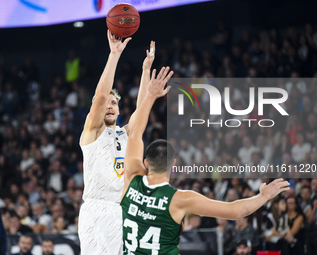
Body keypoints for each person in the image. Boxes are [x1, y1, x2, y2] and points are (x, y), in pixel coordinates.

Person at [120, 66, 290, 255]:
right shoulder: (180, 199)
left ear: (145, 163)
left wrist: (150, 95)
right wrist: (264, 196)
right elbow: (235, 211)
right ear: (173, 165)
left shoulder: (131, 178)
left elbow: (135, 133)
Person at [78, 30, 156, 255]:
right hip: (97, 208)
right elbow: (100, 96)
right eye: (106, 103)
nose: (109, 105)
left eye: (115, 102)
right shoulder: (92, 132)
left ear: (120, 109)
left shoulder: (125, 133)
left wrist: (145, 70)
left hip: (123, 208)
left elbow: (141, 110)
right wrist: (114, 55)